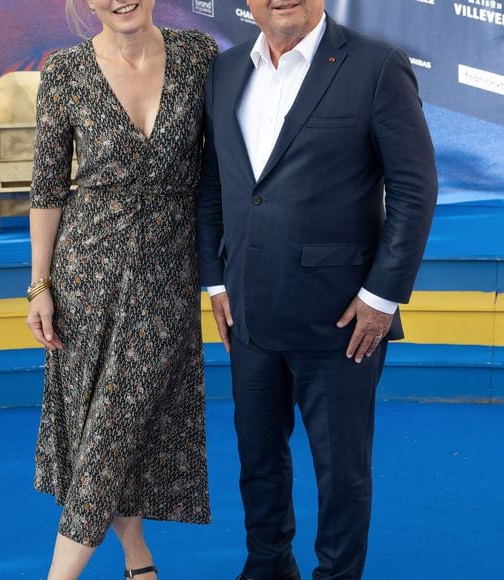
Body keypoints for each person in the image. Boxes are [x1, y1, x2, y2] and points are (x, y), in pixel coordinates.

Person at [197, 2, 437, 579]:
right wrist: (215, 280)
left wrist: (381, 298)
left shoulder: (377, 66)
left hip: (342, 320)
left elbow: (414, 187)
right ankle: (268, 567)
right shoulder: (225, 71)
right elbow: (212, 184)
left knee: (342, 472)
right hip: (248, 314)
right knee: (257, 461)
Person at [26, 1, 217, 578]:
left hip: (168, 276)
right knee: (105, 427)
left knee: (115, 424)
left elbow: (227, 164)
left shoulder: (198, 57)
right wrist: (40, 283)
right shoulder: (64, 70)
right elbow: (47, 186)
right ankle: (138, 561)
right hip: (87, 272)